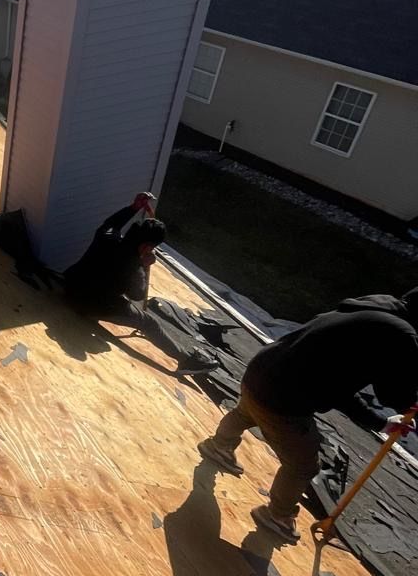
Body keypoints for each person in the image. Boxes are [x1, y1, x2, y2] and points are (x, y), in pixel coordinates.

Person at [198, 290, 418, 543]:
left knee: (246, 411)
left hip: (262, 369)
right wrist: (402, 407)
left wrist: (381, 421)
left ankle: (218, 446)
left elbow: (339, 386)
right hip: (284, 398)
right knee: (303, 464)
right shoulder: (402, 335)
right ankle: (278, 516)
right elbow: (393, 392)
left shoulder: (370, 310)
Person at [61, 192, 215, 374]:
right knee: (148, 322)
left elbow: (111, 222)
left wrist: (133, 208)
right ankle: (186, 360)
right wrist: (143, 265)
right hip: (88, 304)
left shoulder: (106, 236)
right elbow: (137, 295)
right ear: (147, 247)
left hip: (69, 288)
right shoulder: (131, 265)